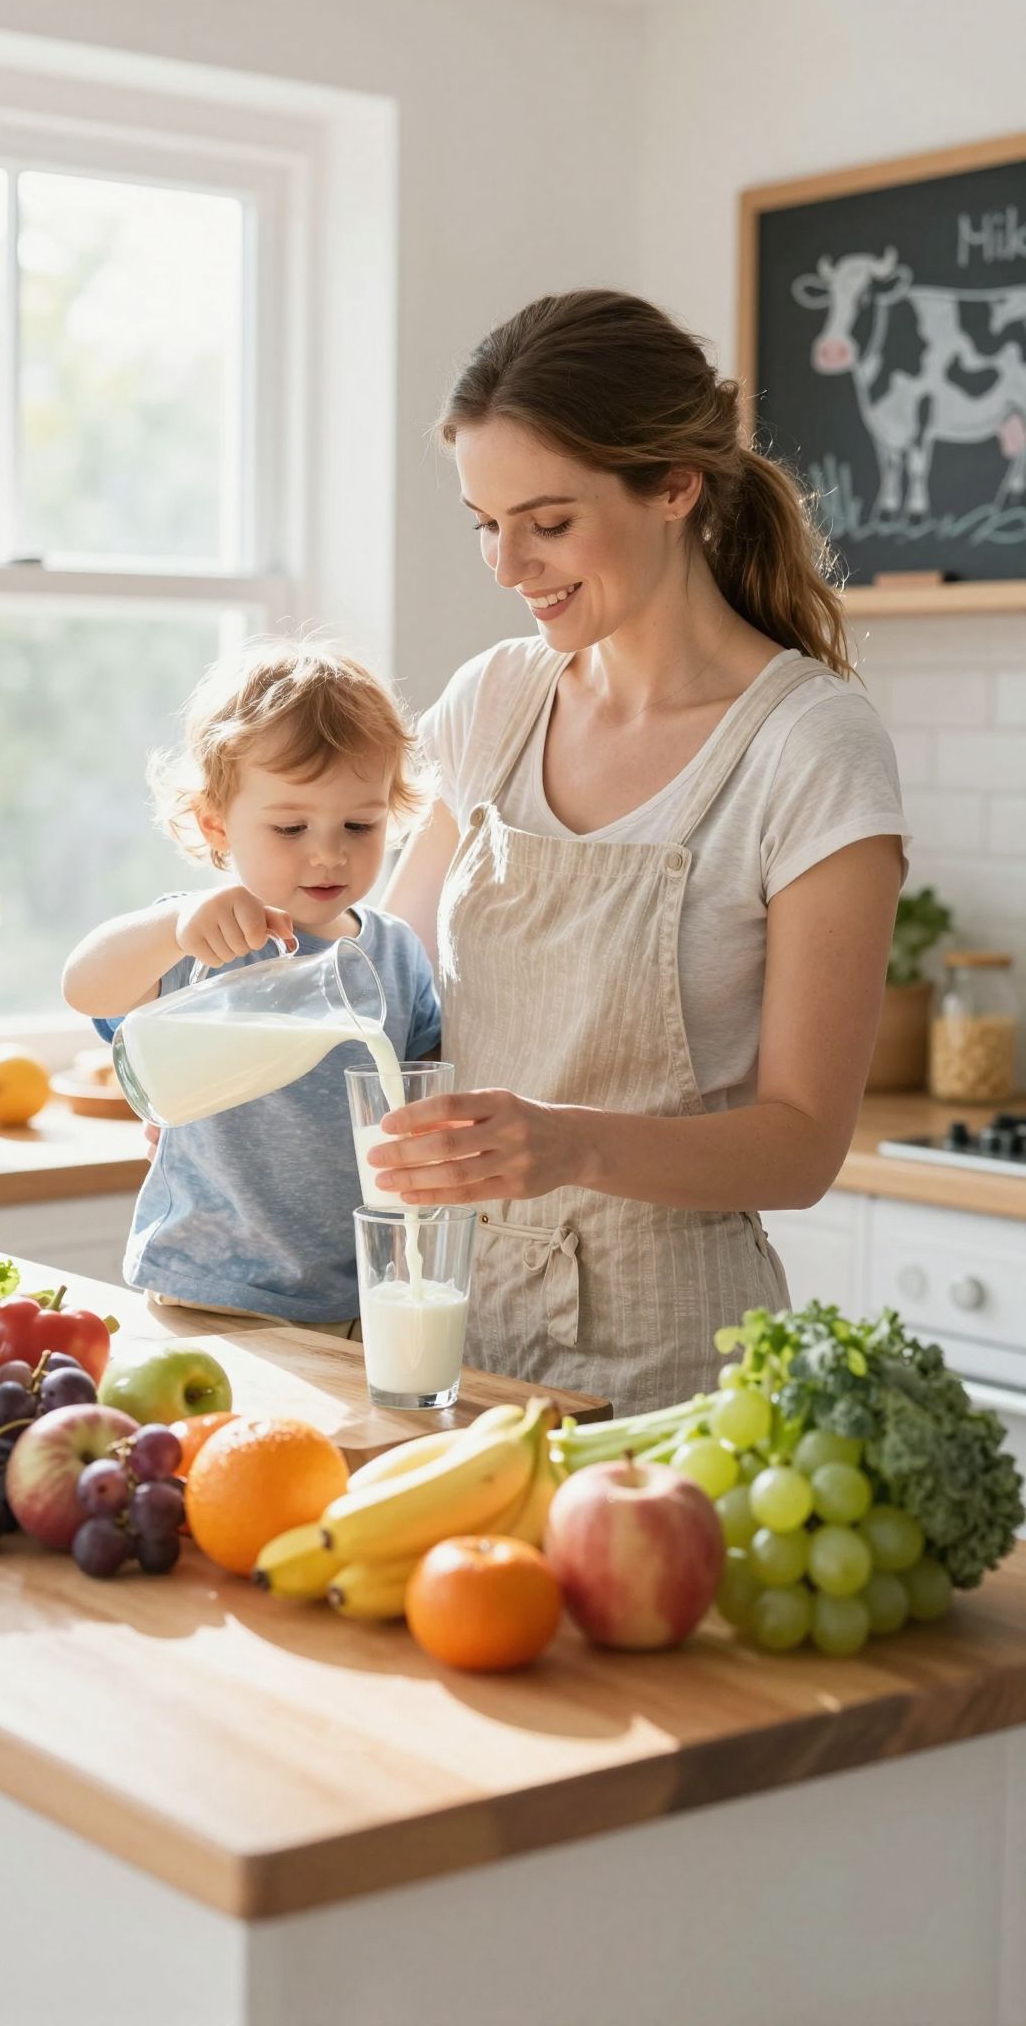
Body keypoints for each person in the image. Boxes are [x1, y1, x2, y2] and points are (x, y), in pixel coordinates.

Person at [376, 288, 908, 1413]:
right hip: (452, 1332)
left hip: (675, 1372)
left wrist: (567, 1145)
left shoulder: (808, 744)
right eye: (484, 520)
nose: (507, 564)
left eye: (548, 521)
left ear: (675, 487)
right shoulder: (497, 699)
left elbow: (803, 1145)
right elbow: (390, 979)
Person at [62, 641, 440, 1335]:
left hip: (356, 1304)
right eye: (291, 827)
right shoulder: (202, 936)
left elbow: (426, 1097)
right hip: (206, 1291)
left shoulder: (395, 953)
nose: (329, 852)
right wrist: (171, 925)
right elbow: (84, 986)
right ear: (216, 824)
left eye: (360, 824)